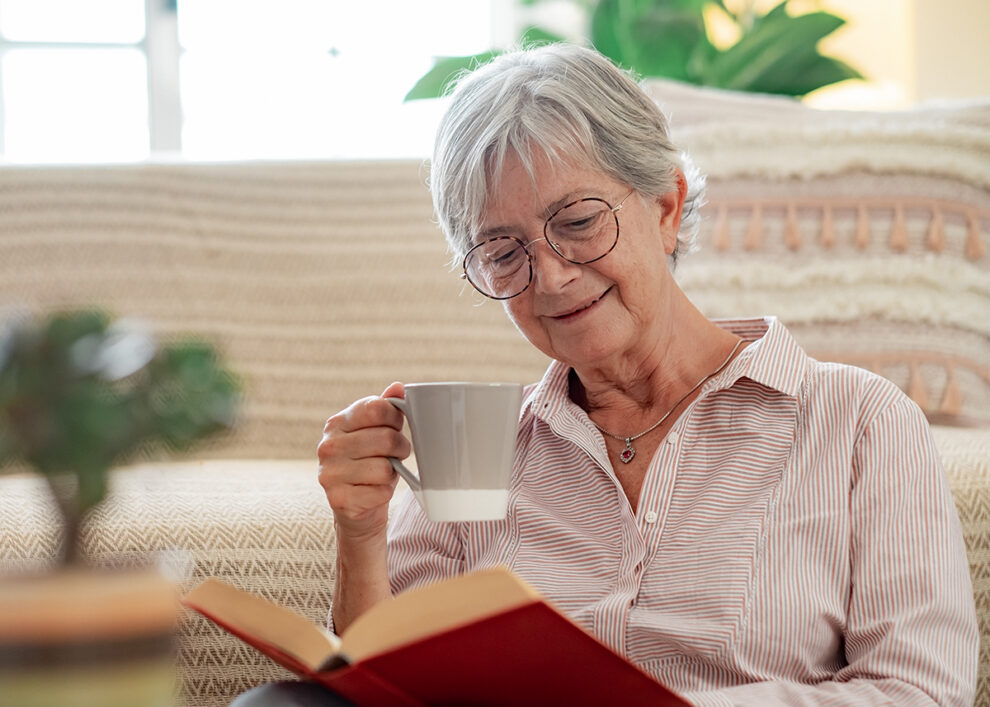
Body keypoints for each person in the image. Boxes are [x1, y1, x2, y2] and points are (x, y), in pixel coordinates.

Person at [236, 44, 978, 706]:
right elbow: (384, 685)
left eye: (579, 221)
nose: (552, 276)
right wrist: (361, 531)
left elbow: (919, 690)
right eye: (503, 252)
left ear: (666, 206)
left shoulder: (858, 420)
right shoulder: (481, 446)